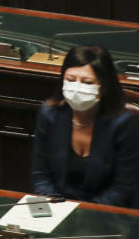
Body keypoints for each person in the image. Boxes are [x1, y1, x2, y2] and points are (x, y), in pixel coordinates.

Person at [31, 45, 139, 208]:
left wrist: (85, 214)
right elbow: (40, 176)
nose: (76, 88)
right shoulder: (50, 114)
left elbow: (123, 188)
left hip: (107, 215)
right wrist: (55, 206)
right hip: (58, 209)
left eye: (87, 82)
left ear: (103, 86)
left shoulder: (124, 123)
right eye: (70, 80)